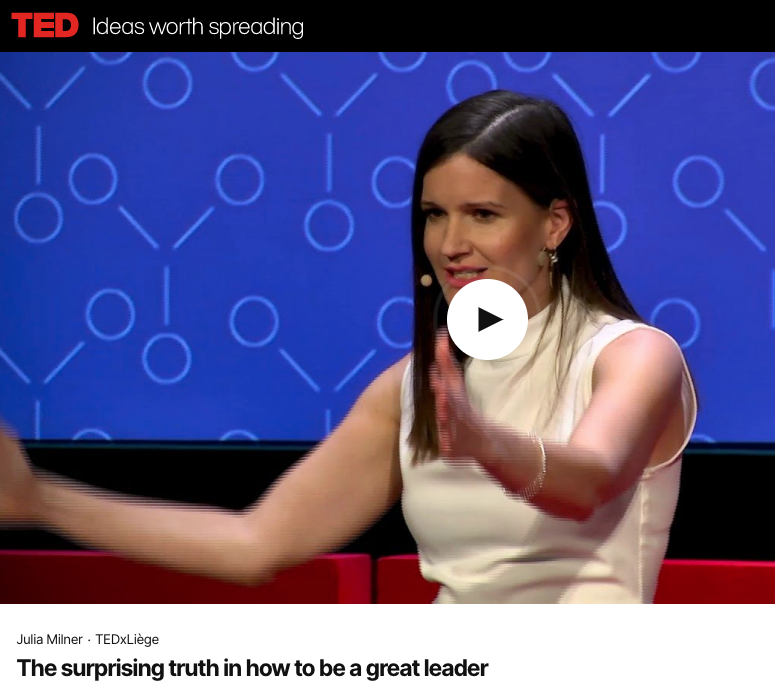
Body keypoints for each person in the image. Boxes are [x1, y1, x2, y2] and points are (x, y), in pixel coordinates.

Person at [0, 89, 697, 603]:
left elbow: (589, 484)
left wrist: (485, 442)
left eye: (483, 214)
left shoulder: (634, 356)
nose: (451, 243)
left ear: (554, 224)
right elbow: (257, 544)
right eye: (434, 215)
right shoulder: (413, 386)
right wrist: (40, 501)